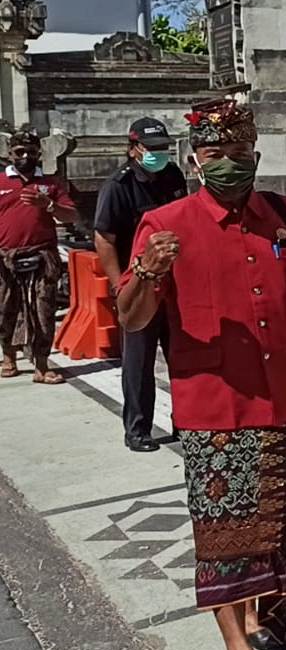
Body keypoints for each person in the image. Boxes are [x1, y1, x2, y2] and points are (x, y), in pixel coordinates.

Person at [117, 99, 286, 650]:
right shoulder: (165, 226)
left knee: (273, 517)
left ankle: (261, 614)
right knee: (222, 527)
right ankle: (236, 647)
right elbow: (132, 317)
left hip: (282, 396)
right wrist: (148, 269)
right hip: (213, 406)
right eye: (216, 154)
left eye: (240, 154)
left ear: (256, 157)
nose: (229, 164)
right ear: (197, 162)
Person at [93, 117, 188, 452]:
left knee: (183, 355)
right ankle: (138, 429)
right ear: (134, 149)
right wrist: (120, 285)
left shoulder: (173, 175)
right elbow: (104, 239)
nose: (159, 154)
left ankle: (186, 421)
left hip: (174, 283)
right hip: (139, 282)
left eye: (164, 147)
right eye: (152, 149)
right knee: (139, 360)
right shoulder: (118, 186)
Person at [0, 127, 77, 384]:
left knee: (43, 311)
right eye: (19, 152)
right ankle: (9, 356)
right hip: (5, 259)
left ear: (39, 154)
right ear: (10, 154)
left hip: (42, 257)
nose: (25, 156)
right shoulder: (0, 182)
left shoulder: (50, 184)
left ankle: (42, 365)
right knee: (4, 310)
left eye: (30, 152)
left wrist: (50, 206)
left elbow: (72, 215)